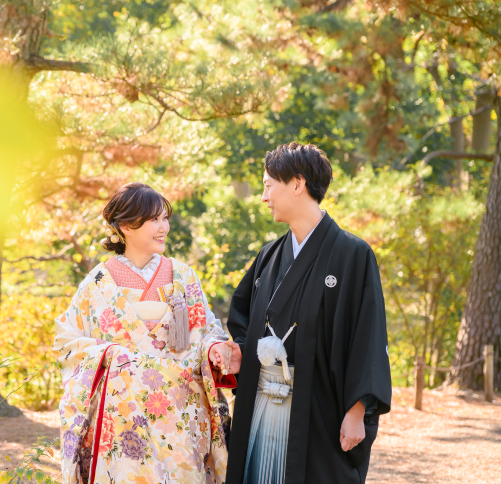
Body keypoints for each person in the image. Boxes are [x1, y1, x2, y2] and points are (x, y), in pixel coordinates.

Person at [225, 143, 392, 484]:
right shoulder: (270, 255)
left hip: (318, 409)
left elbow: (368, 336)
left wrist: (357, 410)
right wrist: (240, 353)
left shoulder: (352, 255)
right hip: (261, 403)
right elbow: (242, 320)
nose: (263, 196)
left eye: (269, 185)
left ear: (297, 184)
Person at [54, 182, 241, 484]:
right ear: (126, 225)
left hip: (181, 411)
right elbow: (67, 339)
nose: (164, 226)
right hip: (124, 412)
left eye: (165, 218)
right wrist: (110, 354)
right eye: (154, 219)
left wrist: (213, 350)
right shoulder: (98, 283)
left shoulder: (183, 275)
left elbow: (205, 330)